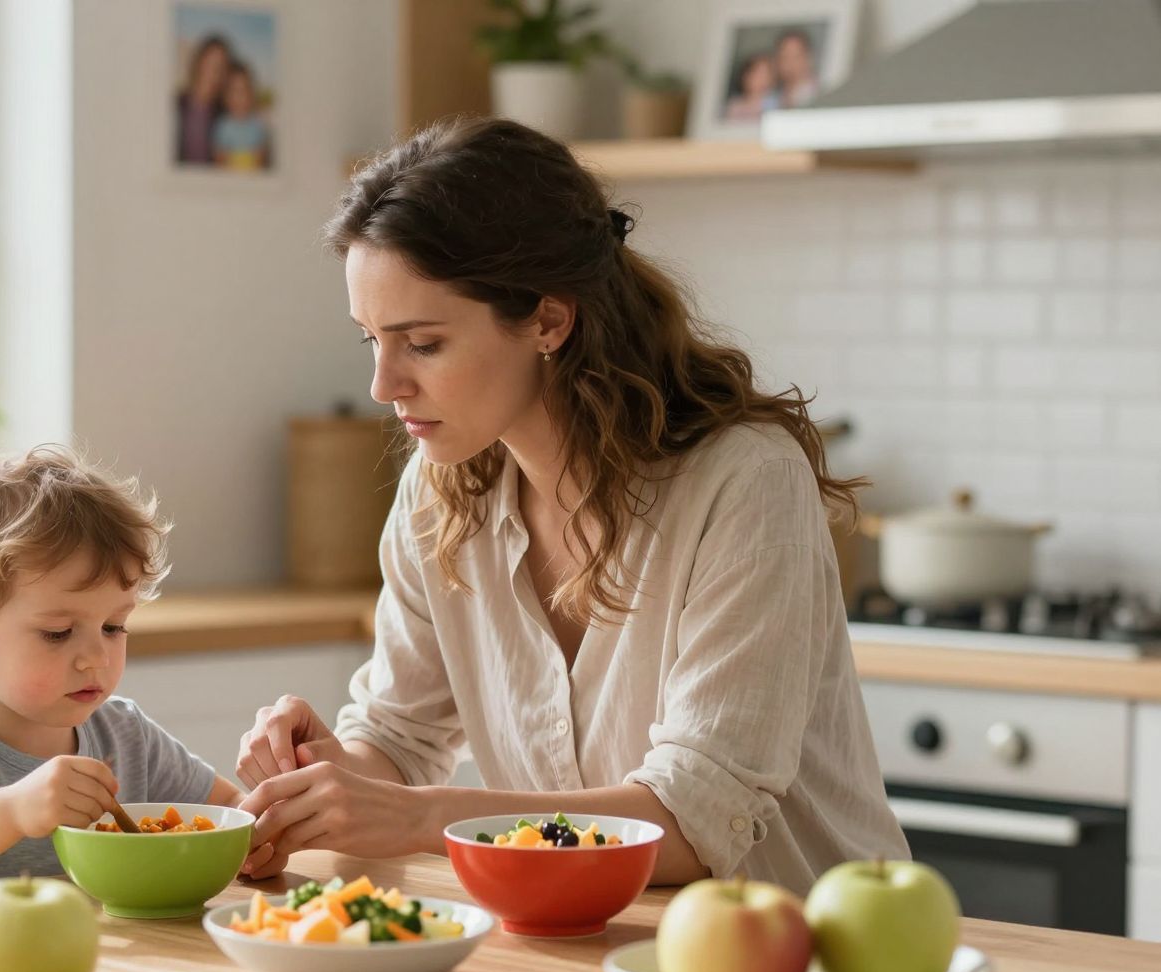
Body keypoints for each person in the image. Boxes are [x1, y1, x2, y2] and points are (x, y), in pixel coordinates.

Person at [233, 118, 908, 891]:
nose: (385, 386)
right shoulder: (440, 489)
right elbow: (399, 734)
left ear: (549, 319)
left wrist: (419, 818)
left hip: (813, 960)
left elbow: (696, 819)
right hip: (587, 948)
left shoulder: (744, 482)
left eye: (421, 344)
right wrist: (323, 775)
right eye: (370, 341)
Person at [0, 445, 242, 887]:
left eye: (113, 626)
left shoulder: (126, 735)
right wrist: (14, 810)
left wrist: (269, 825)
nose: (96, 657)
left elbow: (232, 814)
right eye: (57, 633)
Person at [175, 35, 233, 166]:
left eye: (221, 67)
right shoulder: (175, 105)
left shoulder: (225, 116)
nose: (215, 73)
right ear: (199, 63)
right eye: (211, 64)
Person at [211, 63, 271, 172]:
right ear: (225, 97)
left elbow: (262, 158)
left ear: (251, 94)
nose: (239, 97)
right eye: (234, 91)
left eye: (243, 90)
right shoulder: (223, 126)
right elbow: (219, 159)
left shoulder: (257, 126)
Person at [773, 29, 821, 108]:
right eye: (785, 56)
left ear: (808, 58)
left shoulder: (817, 94)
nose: (790, 63)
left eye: (796, 56)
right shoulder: (773, 98)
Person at [724, 53, 778, 121]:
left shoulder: (775, 104)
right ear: (745, 76)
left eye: (764, 74)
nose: (760, 79)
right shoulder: (734, 106)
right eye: (756, 73)